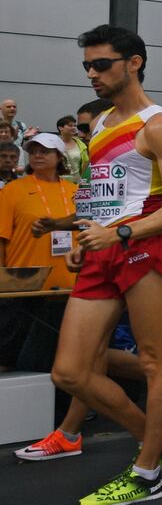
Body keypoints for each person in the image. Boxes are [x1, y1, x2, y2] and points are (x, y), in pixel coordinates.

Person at [50, 25, 162, 505]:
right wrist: (85, 234)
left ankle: (146, 473)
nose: (91, 74)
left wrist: (119, 233)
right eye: (87, 66)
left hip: (144, 247)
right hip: (102, 249)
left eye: (101, 65)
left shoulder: (158, 125)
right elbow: (102, 195)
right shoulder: (100, 123)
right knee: (69, 372)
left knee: (156, 361)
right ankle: (160, 440)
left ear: (134, 63)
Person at [0, 133, 78, 378]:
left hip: (70, 286)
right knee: (10, 359)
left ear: (59, 156)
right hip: (24, 288)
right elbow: (1, 238)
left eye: (44, 151)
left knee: (65, 358)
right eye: (33, 151)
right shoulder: (12, 190)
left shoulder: (76, 191)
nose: (37, 155)